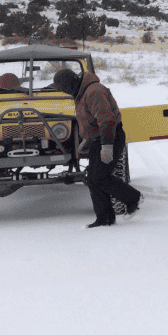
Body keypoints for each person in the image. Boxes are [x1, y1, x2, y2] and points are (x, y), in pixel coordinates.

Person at [53, 68, 142, 228]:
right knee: (92, 179)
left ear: (69, 83)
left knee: (101, 176)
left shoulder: (93, 91)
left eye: (63, 88)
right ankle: (104, 218)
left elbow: (106, 120)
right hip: (97, 138)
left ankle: (133, 198)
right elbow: (89, 119)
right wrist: (87, 139)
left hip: (110, 136)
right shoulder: (80, 93)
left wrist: (107, 146)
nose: (64, 92)